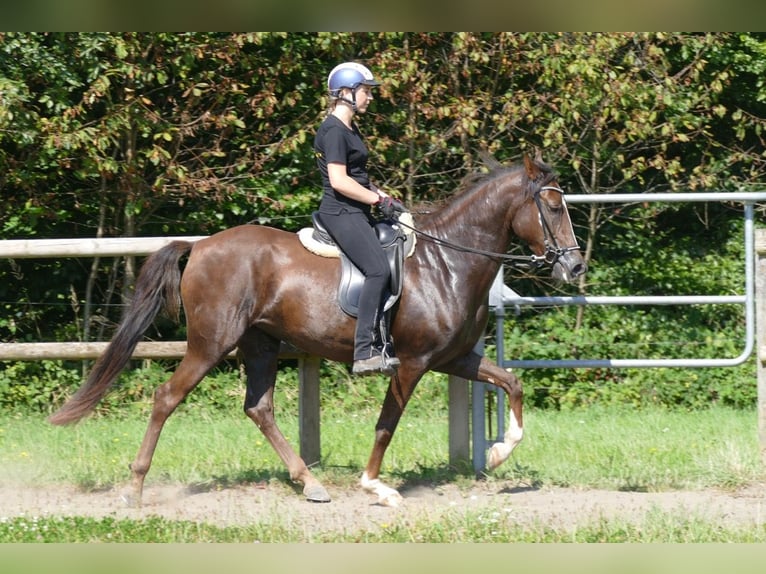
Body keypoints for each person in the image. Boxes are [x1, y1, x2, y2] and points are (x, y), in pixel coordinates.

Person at [313, 61, 405, 376]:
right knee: (378, 270)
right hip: (340, 211)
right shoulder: (333, 130)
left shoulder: (350, 128)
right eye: (365, 90)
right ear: (345, 92)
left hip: (357, 208)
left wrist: (385, 196)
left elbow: (359, 177)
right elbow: (339, 181)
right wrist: (377, 199)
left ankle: (385, 339)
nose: (370, 97)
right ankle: (364, 350)